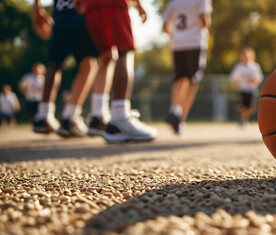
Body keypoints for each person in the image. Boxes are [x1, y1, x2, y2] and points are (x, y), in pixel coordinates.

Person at [74, 0, 158, 143]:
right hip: (113, 3)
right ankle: (120, 116)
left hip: (90, 6)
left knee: (106, 58)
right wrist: (139, 4)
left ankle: (98, 115)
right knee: (125, 51)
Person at [32, 0, 111, 138]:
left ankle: (43, 115)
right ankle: (70, 117)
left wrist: (37, 9)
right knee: (90, 65)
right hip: (81, 14)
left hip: (60, 16)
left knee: (55, 65)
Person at [163, 0, 212, 135]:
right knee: (192, 79)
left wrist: (177, 36)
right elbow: (204, 21)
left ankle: (174, 109)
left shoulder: (174, 3)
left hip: (177, 43)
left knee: (179, 77)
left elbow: (165, 26)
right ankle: (181, 119)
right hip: (195, 42)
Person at [230, 47, 263, 127]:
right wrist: (237, 86)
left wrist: (254, 81)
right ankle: (242, 120)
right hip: (242, 89)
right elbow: (234, 79)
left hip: (251, 90)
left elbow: (259, 79)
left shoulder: (255, 67)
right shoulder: (239, 67)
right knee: (241, 106)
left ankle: (244, 119)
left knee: (250, 108)